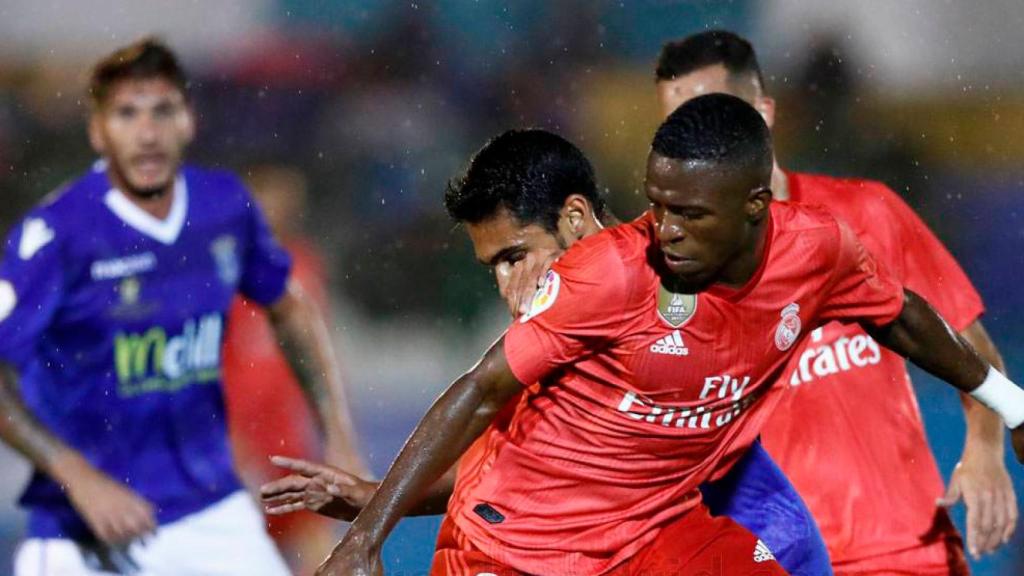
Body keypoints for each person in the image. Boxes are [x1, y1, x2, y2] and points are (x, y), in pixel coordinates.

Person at [315, 94, 1024, 575]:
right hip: (519, 554)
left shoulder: (818, 252)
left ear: (754, 207)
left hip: (653, 537)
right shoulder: (609, 276)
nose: (667, 230)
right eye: (657, 206)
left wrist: (1007, 401)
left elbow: (897, 313)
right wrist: (368, 531)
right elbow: (480, 398)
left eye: (688, 212)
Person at [261, 131, 831, 575]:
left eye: (516, 256)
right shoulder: (548, 335)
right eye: (495, 269)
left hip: (694, 520)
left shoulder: (686, 278)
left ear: (576, 219)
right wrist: (375, 507)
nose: (509, 286)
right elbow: (502, 462)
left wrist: (370, 518)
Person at [653, 30, 1015, 574]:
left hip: (908, 553)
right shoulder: (666, 276)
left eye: (713, 115)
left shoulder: (869, 215)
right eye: (677, 128)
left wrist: (985, 452)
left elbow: (971, 342)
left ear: (764, 113)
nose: (694, 144)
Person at [0, 38, 363, 575]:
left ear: (188, 120)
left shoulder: (225, 209)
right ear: (98, 131)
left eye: (162, 111)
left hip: (210, 511)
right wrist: (76, 474)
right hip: (86, 525)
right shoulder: (55, 236)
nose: (147, 133)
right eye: (127, 114)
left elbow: (291, 309)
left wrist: (337, 437)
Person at [223, 164, 365, 574]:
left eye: (286, 201)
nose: (278, 211)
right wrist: (229, 441)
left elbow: (320, 356)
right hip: (238, 451)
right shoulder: (224, 273)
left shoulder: (304, 265)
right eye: (268, 199)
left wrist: (337, 434)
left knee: (325, 557)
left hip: (289, 445)